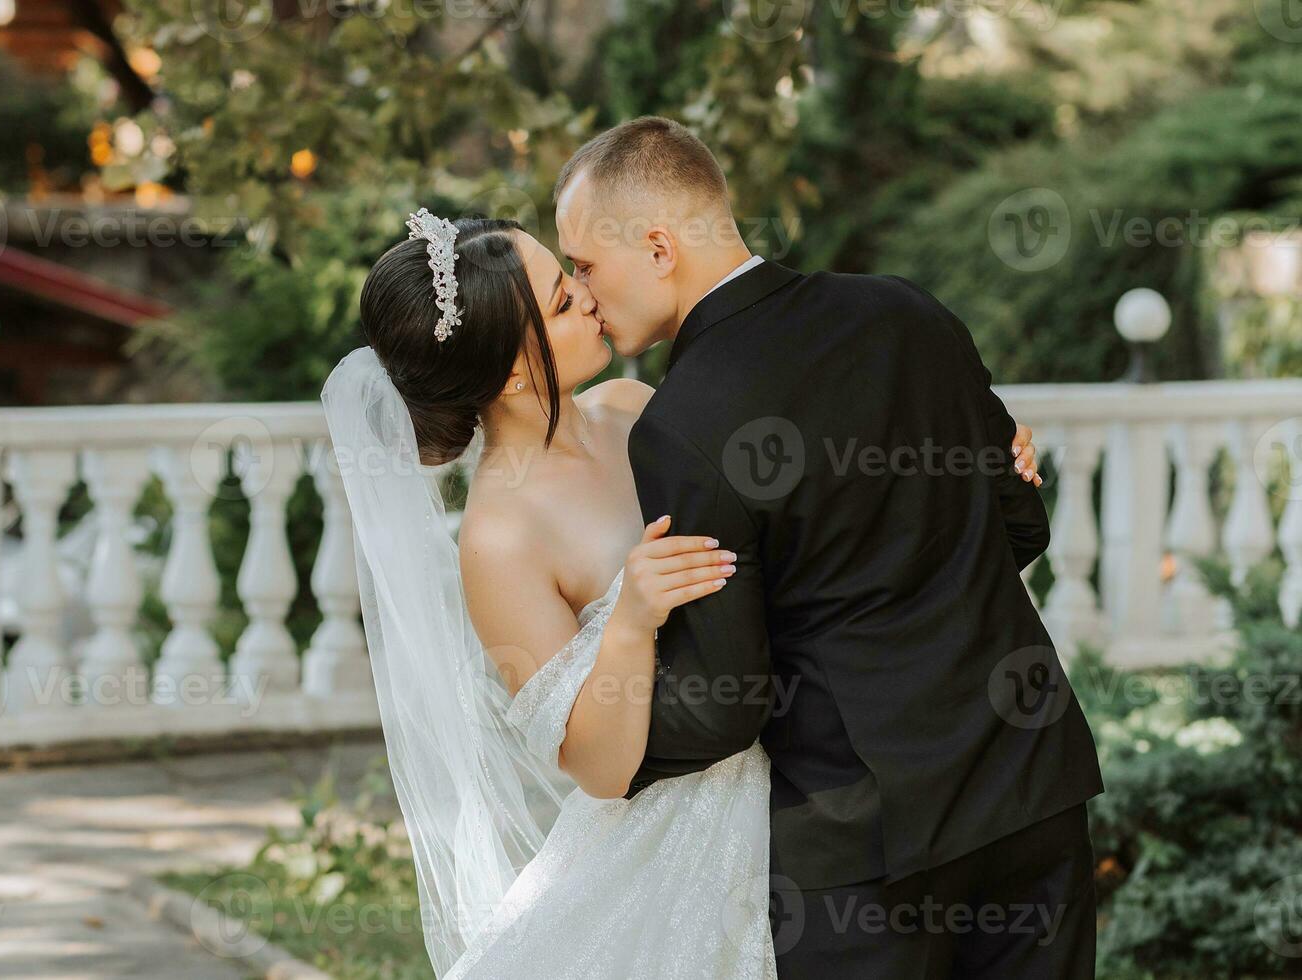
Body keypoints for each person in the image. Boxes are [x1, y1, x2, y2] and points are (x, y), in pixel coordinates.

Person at [322, 140, 1053, 977]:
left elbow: (800, 530)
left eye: (577, 274)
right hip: (690, 828)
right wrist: (631, 621)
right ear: (517, 368)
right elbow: (595, 766)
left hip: (822, 772)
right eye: (566, 297)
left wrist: (970, 474)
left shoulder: (641, 410)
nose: (592, 299)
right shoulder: (500, 537)